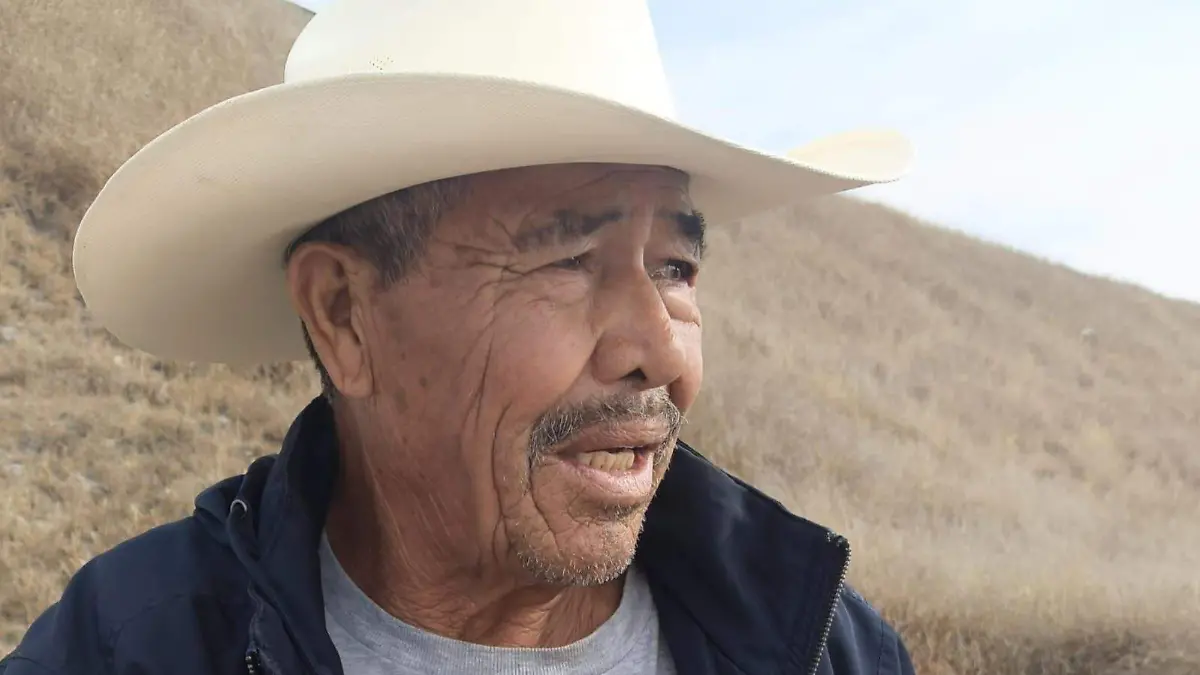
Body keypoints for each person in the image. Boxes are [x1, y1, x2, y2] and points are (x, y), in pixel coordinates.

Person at [2, 1, 918, 673]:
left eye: (675, 268)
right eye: (569, 259)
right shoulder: (133, 647)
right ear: (343, 313)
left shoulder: (826, 644)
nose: (662, 350)